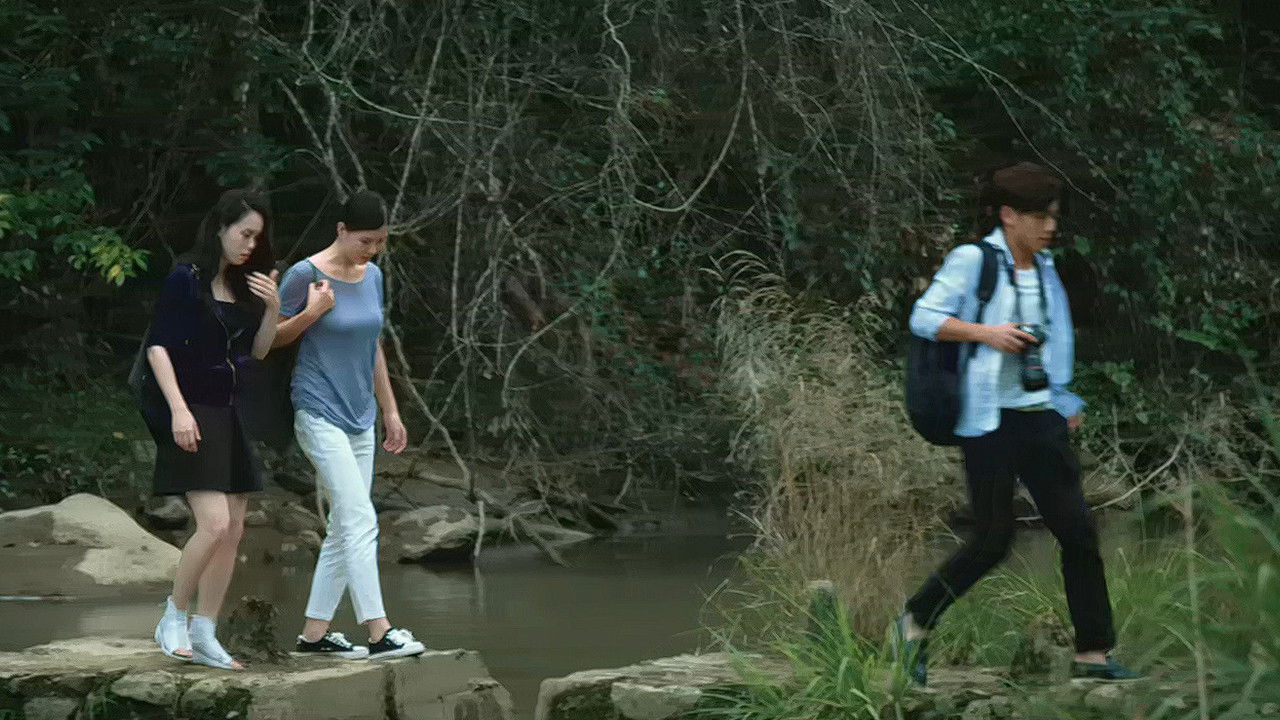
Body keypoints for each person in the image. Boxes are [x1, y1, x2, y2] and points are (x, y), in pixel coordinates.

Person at [896, 162, 1138, 684]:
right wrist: (987, 334)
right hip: (987, 421)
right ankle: (914, 621)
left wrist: (1063, 398)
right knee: (992, 541)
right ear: (1009, 215)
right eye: (1039, 217)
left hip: (1040, 416)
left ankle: (1093, 654)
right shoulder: (974, 260)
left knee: (1078, 532)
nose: (1050, 227)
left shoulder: (1045, 267)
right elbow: (924, 317)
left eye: (1054, 216)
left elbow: (1058, 337)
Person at [273, 190, 424, 660]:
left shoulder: (372, 276)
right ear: (341, 230)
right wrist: (311, 313)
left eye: (380, 241)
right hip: (317, 408)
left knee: (344, 525)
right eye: (365, 241)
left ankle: (313, 636)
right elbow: (269, 338)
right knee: (360, 518)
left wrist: (390, 410)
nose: (372, 250)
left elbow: (371, 343)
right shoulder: (305, 274)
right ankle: (380, 633)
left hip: (361, 416)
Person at [144, 188, 280, 670]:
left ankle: (205, 631)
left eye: (257, 238)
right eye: (244, 234)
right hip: (192, 408)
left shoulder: (241, 286)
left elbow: (259, 351)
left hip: (228, 411)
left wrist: (273, 308)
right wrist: (179, 410)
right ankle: (173, 616)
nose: (250, 245)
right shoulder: (186, 278)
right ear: (220, 227)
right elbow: (158, 347)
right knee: (214, 523)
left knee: (234, 529)